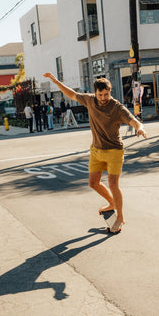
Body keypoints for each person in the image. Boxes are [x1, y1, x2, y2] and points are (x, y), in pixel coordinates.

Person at [43, 72, 147, 233]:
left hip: (114, 151)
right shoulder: (90, 100)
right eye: (100, 94)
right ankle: (112, 203)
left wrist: (139, 128)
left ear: (109, 92)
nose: (104, 97)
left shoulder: (116, 107)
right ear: (95, 93)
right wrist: (56, 82)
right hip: (96, 151)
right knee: (93, 183)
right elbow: (72, 94)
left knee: (113, 183)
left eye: (106, 94)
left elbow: (133, 120)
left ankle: (120, 217)